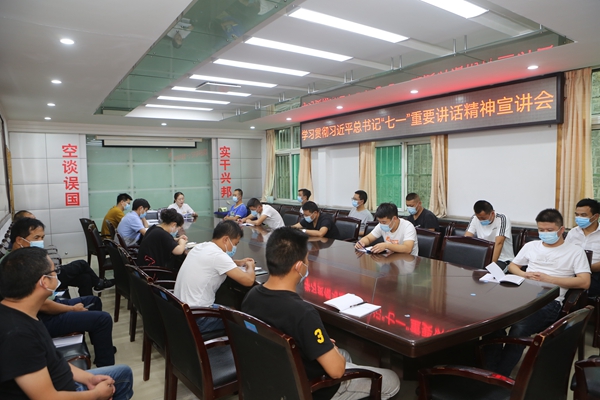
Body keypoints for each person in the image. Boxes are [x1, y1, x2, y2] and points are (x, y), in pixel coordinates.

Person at [242, 227, 400, 400]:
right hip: (312, 389)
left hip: (271, 377)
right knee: (391, 379)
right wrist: (331, 349)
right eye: (306, 259)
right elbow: (337, 371)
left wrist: (317, 342)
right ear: (298, 266)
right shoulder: (303, 313)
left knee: (345, 355)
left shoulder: (251, 296)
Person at [0, 247, 133, 399]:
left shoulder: (22, 313)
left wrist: (88, 378)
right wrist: (96, 394)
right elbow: (47, 398)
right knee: (121, 378)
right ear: (44, 281)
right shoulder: (17, 335)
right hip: (62, 392)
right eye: (54, 271)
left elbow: (54, 360)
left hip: (62, 380)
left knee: (123, 373)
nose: (57, 275)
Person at [484, 208, 591, 377]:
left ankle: (499, 376)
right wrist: (524, 274)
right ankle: (488, 370)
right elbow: (513, 266)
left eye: (550, 230)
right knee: (491, 323)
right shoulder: (531, 246)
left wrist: (550, 279)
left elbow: (584, 282)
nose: (545, 233)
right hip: (520, 294)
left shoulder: (575, 251)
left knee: (519, 329)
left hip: (549, 301)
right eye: (541, 230)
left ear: (561, 230)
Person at [174, 220, 256, 335]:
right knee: (242, 322)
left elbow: (215, 262)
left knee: (232, 310)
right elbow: (249, 281)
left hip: (179, 310)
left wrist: (237, 262)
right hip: (198, 318)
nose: (234, 247)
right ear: (226, 239)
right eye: (235, 243)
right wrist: (250, 267)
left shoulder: (201, 247)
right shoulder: (218, 256)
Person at [10, 213, 114, 295]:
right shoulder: (13, 261)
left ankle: (89, 305)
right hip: (47, 279)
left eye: (42, 238)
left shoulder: (25, 250)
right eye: (37, 238)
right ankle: (98, 283)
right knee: (81, 264)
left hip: (48, 274)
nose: (41, 241)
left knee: (85, 278)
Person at [465, 200, 514, 271]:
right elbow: (466, 239)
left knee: (489, 274)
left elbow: (499, 243)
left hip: (502, 259)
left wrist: (491, 266)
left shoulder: (502, 218)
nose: (481, 220)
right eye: (479, 218)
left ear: (492, 213)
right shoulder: (475, 218)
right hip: (483, 257)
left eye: (483, 218)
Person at [565, 198, 600, 296]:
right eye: (577, 215)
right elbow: (564, 252)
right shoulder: (573, 232)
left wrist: (584, 268)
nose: (579, 218)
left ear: (596, 216)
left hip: (594, 274)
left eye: (583, 215)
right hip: (571, 271)